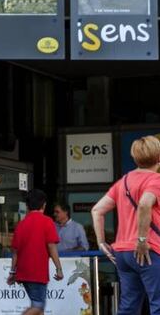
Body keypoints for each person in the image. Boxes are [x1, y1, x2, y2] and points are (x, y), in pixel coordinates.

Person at [92, 135, 160, 315]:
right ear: (159, 157)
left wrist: (101, 242)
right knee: (158, 304)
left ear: (135, 157)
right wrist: (142, 239)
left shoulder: (124, 182)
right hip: (148, 251)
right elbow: (145, 204)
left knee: (129, 306)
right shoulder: (156, 180)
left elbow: (97, 210)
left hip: (123, 252)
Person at [7, 189, 63, 315]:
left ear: (27, 206)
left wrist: (12, 272)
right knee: (38, 306)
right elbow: (52, 247)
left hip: (23, 272)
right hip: (38, 272)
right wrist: (58, 268)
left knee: (37, 307)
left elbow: (15, 252)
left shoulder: (21, 225)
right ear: (44, 205)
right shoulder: (47, 222)